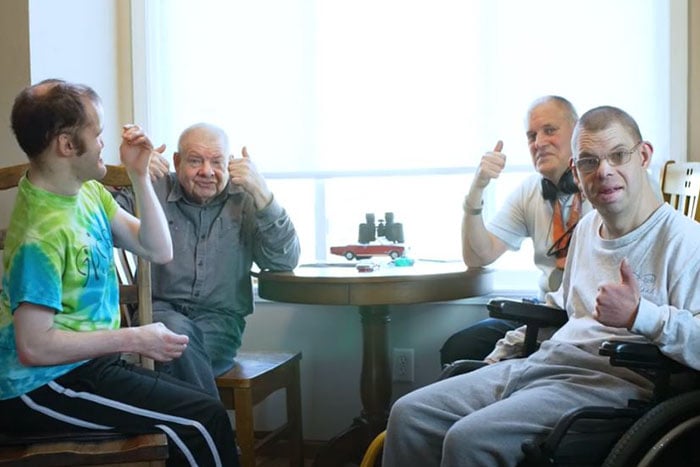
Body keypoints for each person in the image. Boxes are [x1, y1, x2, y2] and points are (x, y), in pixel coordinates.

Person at [382, 105, 700, 466]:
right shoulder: (586, 229)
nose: (605, 171)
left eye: (618, 155)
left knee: (469, 440)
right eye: (589, 162)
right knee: (408, 415)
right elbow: (560, 307)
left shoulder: (687, 242)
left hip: (613, 383)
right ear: (576, 174)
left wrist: (641, 315)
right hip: (546, 364)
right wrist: (502, 352)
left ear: (643, 156)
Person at [0, 80, 239, 466]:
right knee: (200, 422)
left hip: (86, 369)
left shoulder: (86, 192)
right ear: (66, 144)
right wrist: (136, 338)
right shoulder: (39, 235)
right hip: (37, 388)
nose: (102, 144)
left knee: (202, 411)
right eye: (96, 134)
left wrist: (139, 174)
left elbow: (158, 249)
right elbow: (33, 346)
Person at [113, 122, 300, 397]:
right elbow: (96, 219)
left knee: (175, 352)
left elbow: (284, 260)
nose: (207, 171)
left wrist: (263, 193)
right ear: (177, 161)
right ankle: (214, 434)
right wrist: (132, 173)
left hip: (219, 322)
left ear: (230, 163)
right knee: (175, 337)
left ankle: (187, 433)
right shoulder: (154, 188)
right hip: (160, 312)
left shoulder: (246, 197)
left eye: (217, 162)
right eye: (195, 161)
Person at [440, 95, 591, 366]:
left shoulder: (605, 186)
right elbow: (478, 256)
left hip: (582, 314)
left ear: (577, 131)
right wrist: (477, 189)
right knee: (459, 348)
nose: (539, 143)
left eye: (549, 130)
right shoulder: (530, 190)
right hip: (544, 307)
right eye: (532, 136)